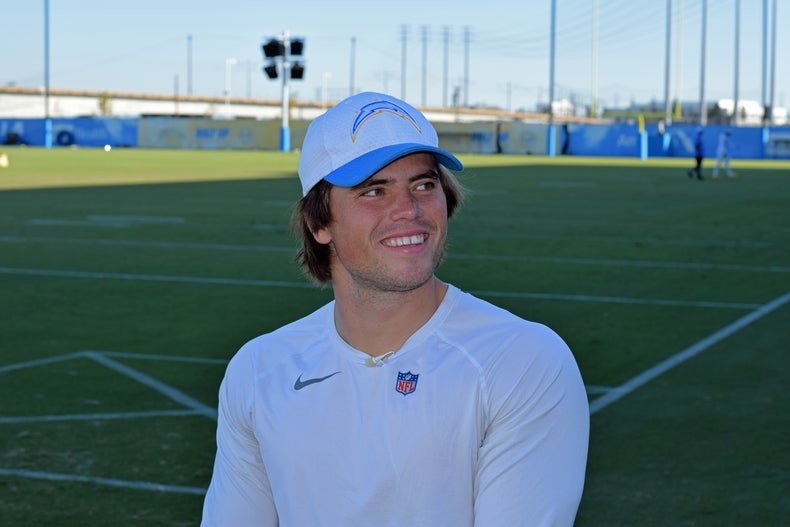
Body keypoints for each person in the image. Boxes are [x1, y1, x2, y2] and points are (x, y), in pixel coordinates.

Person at [201, 92, 590, 527]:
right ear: (318, 223)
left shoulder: (521, 360)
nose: (408, 210)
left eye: (424, 185)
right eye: (374, 191)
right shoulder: (259, 370)